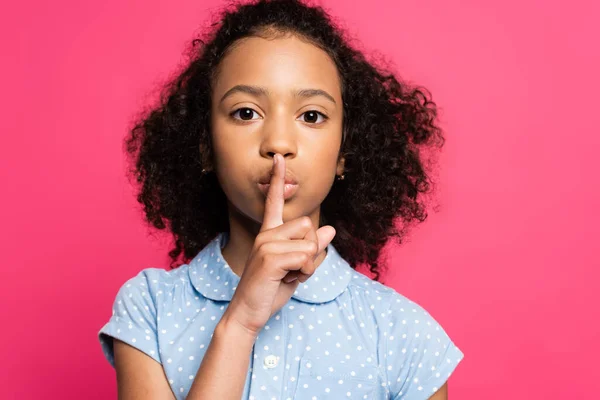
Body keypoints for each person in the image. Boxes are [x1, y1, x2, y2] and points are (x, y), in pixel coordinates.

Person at [98, 0, 464, 398]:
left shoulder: (404, 334)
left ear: (344, 152)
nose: (278, 144)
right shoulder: (150, 309)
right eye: (245, 113)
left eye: (311, 116)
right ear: (204, 145)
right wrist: (240, 323)